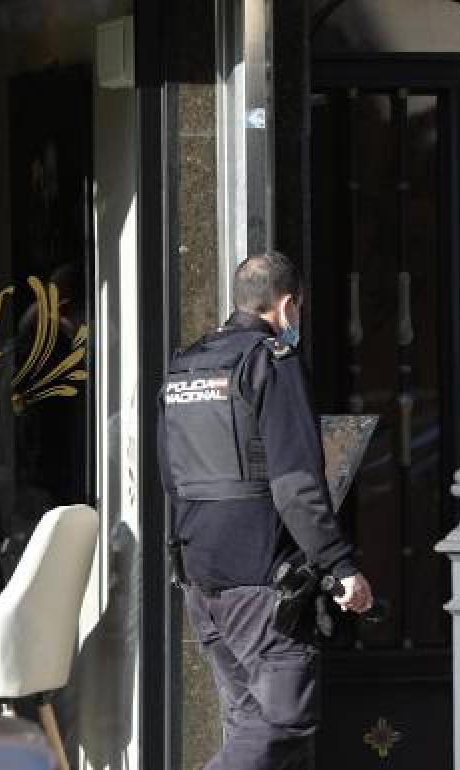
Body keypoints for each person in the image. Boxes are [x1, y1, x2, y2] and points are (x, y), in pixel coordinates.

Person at [158, 252, 373, 770]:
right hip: (261, 580)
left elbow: (170, 476)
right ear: (288, 304)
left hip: (202, 575)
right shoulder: (270, 361)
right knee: (282, 724)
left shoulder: (185, 364)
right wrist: (340, 566)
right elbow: (297, 482)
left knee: (248, 721)